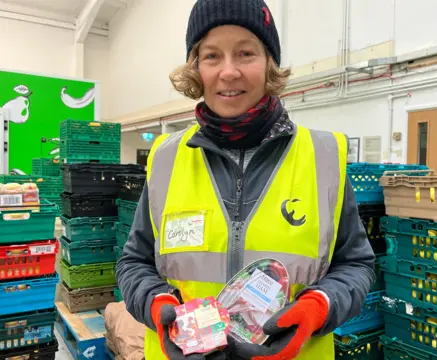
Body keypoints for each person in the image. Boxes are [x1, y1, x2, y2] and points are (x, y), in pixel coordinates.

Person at [116, 0, 376, 359]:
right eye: (211, 56)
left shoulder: (323, 156)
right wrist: (155, 304)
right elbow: (134, 263)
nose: (229, 71)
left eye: (246, 53)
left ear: (269, 63)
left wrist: (320, 305)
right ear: (196, 69)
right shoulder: (165, 158)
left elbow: (356, 264)